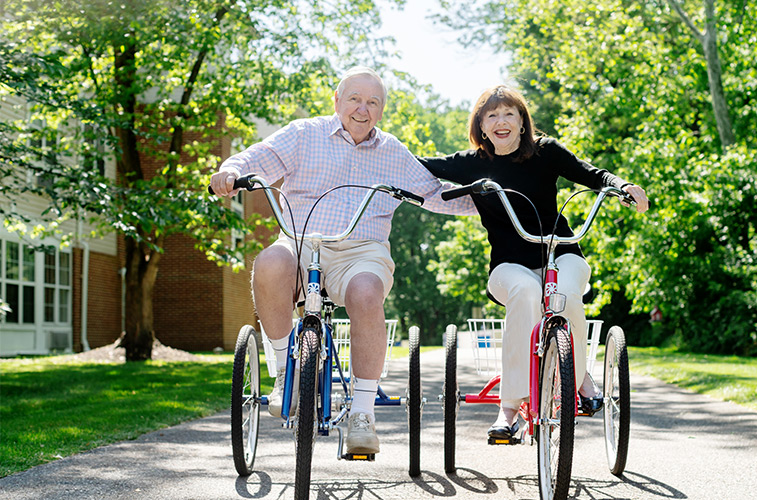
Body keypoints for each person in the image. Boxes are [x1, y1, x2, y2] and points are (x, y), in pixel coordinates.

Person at [209, 66, 475, 454]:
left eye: (373, 102)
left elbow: (436, 194)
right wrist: (231, 170)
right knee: (269, 262)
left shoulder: (393, 152)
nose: (362, 109)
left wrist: (488, 205)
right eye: (354, 99)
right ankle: (287, 375)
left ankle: (362, 416)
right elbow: (260, 158)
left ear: (381, 111)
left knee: (368, 294)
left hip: (361, 250)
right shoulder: (304, 134)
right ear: (336, 101)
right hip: (301, 241)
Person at [419, 85, 649, 439]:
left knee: (567, 294)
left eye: (509, 113)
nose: (501, 121)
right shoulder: (473, 164)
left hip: (562, 254)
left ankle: (580, 378)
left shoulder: (546, 152)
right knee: (527, 291)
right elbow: (421, 165)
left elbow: (592, 174)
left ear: (523, 121)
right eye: (491, 115)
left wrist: (624, 186)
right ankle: (509, 409)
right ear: (480, 125)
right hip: (508, 266)